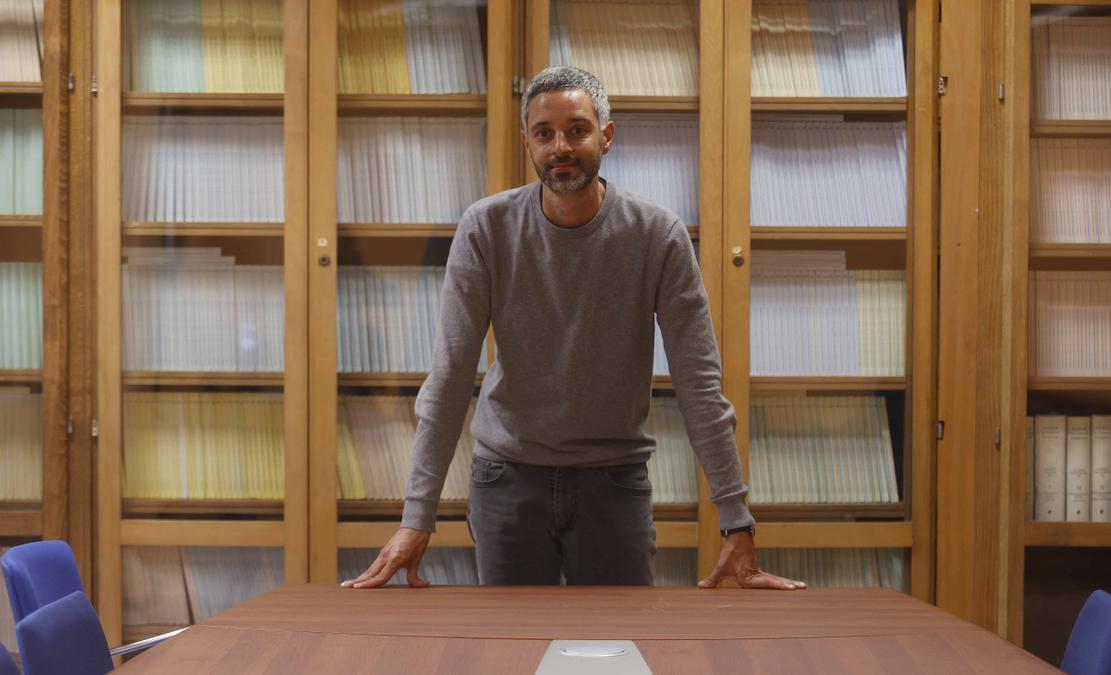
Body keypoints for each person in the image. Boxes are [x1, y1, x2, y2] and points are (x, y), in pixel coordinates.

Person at [343, 66, 804, 591]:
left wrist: (736, 518)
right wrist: (416, 516)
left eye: (577, 129)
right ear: (528, 143)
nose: (560, 146)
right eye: (544, 133)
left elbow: (699, 385)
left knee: (620, 653)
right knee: (511, 651)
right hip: (506, 480)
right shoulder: (486, 228)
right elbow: (449, 377)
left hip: (614, 483)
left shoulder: (658, 235)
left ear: (606, 135)